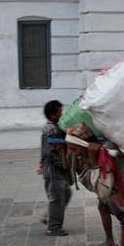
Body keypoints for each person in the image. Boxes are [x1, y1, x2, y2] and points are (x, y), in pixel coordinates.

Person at [38, 100, 72, 236]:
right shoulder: (50, 130)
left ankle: (49, 217)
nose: (62, 114)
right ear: (53, 116)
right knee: (58, 197)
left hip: (58, 170)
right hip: (54, 170)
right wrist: (63, 164)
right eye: (60, 112)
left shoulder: (56, 127)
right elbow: (50, 152)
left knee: (66, 194)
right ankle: (53, 227)